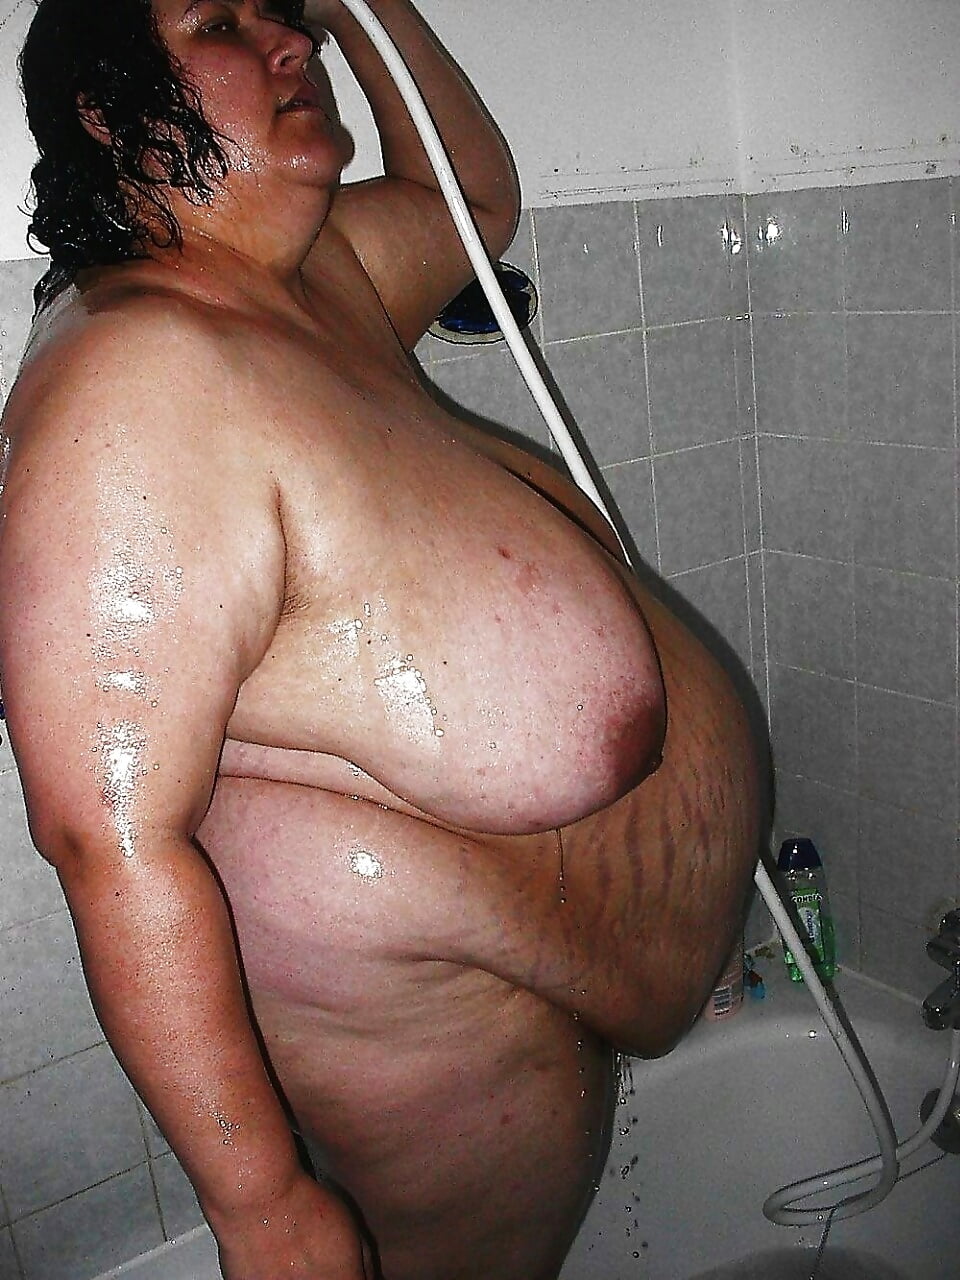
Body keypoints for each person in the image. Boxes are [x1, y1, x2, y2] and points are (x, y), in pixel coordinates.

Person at [0, 1, 763, 1277]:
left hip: (524, 966)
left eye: (281, 12)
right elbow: (104, 833)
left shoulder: (311, 278)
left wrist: (359, 5)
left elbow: (472, 198)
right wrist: (262, 1202)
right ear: (107, 107)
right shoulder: (139, 374)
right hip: (410, 1005)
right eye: (220, 21)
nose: (287, 43)